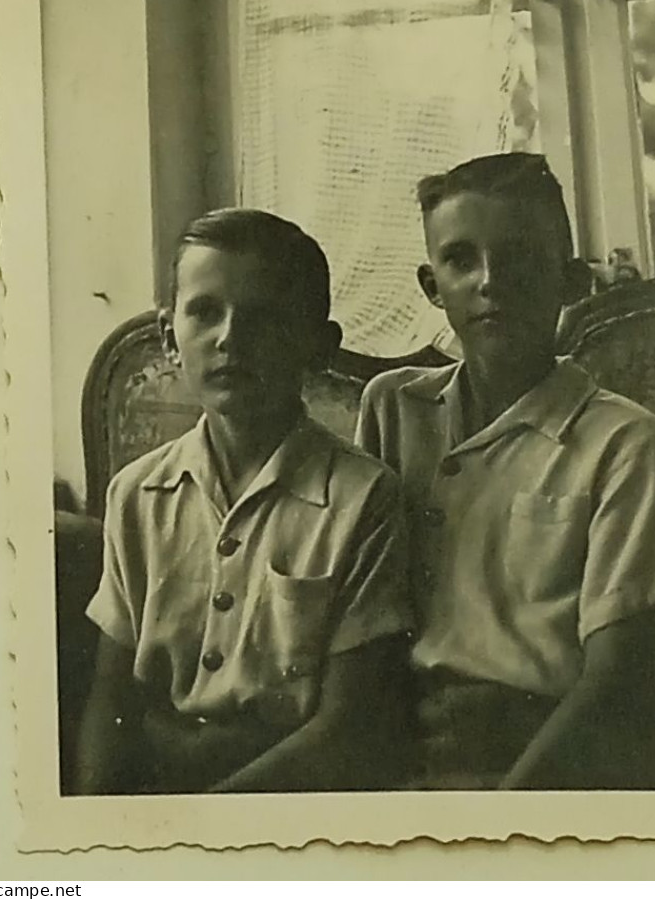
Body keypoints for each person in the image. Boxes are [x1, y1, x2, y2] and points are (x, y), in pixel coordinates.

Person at [355, 152, 655, 790]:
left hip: (540, 757)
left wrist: (505, 819)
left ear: (571, 280)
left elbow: (618, 681)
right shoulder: (394, 408)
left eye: (520, 255)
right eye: (461, 260)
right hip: (395, 744)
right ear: (430, 284)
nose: (490, 281)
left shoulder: (621, 442)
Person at [77, 208, 413, 795]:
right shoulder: (136, 494)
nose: (230, 337)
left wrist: (202, 829)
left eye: (264, 316)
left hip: (290, 800)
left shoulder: (363, 499)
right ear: (169, 338)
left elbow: (350, 726)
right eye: (205, 312)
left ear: (318, 344)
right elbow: (111, 705)